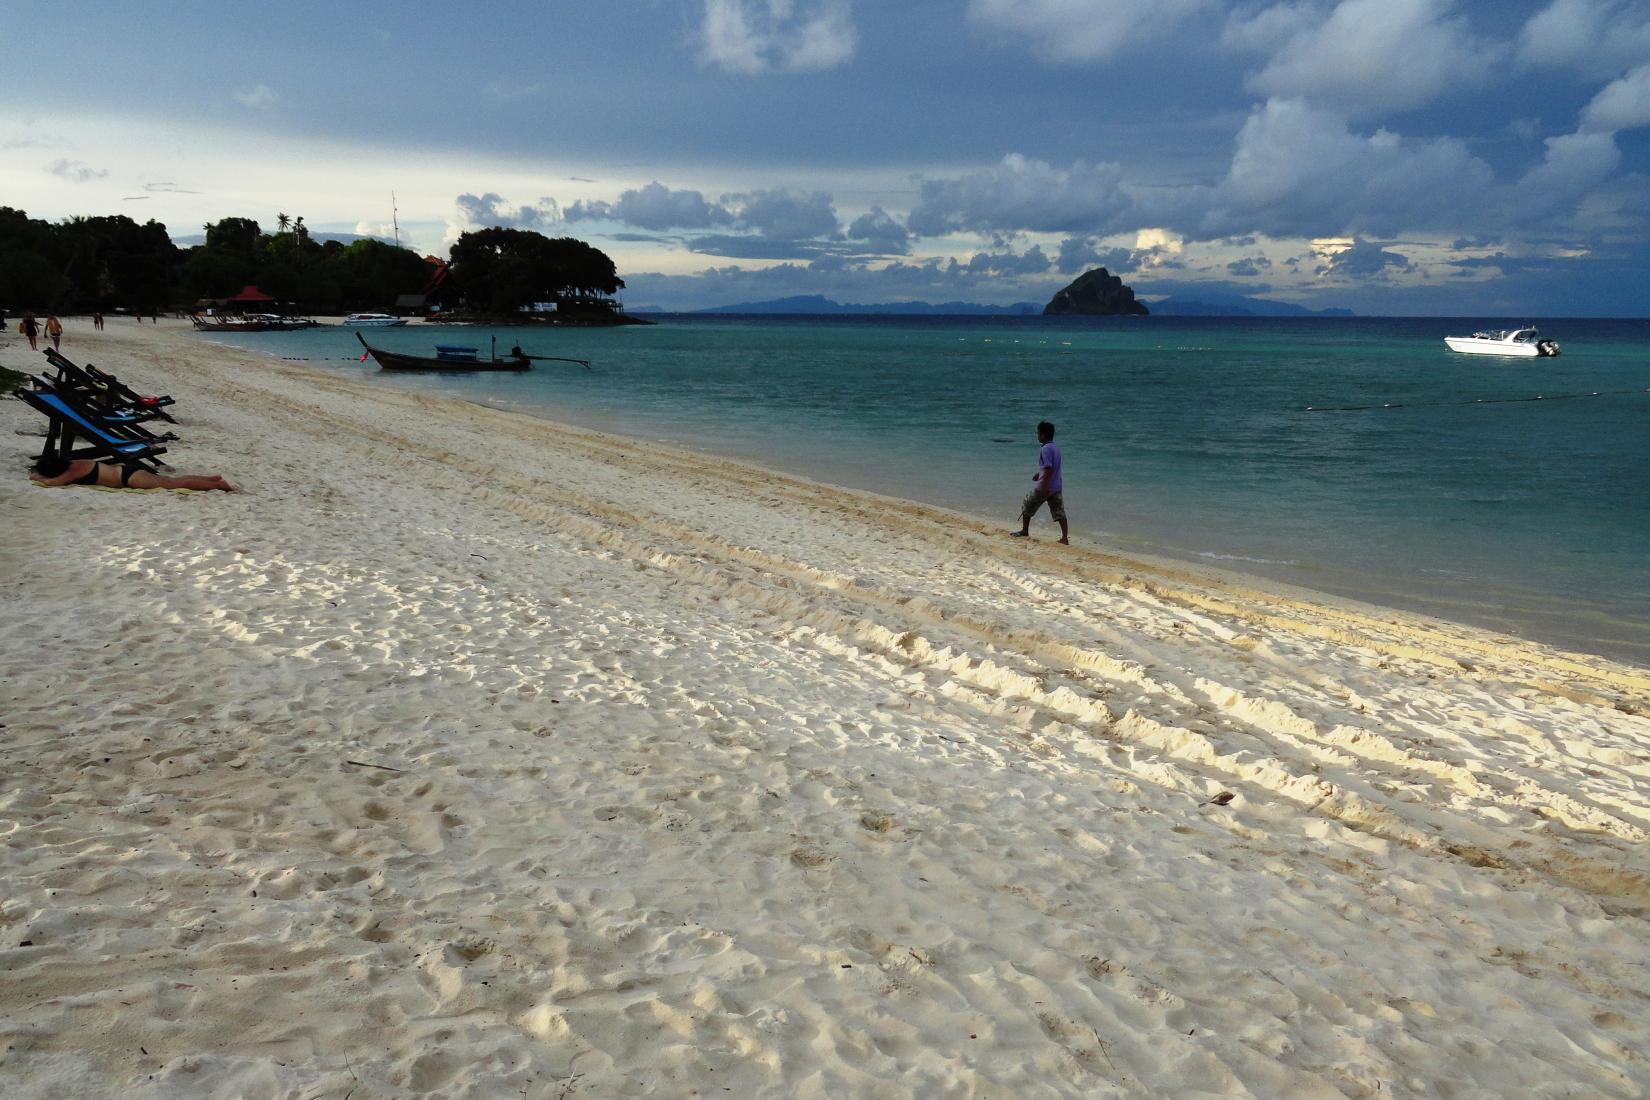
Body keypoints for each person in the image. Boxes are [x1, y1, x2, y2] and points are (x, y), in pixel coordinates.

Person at [29, 455, 236, 492]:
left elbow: (53, 483)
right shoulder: (74, 463)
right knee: (172, 480)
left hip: (129, 479)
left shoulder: (73, 471)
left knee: (173, 485)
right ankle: (213, 479)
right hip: (127, 472)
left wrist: (37, 476)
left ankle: (218, 485)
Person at [1011, 420, 1068, 544]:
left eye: (1038, 433)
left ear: (1043, 435)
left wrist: (1043, 486)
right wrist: (1039, 474)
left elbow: (1047, 468)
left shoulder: (1045, 449)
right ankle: (1064, 538)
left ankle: (1025, 530)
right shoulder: (1056, 448)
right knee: (1059, 512)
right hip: (1056, 486)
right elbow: (1052, 467)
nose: (1037, 436)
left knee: (1027, 503)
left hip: (1045, 487)